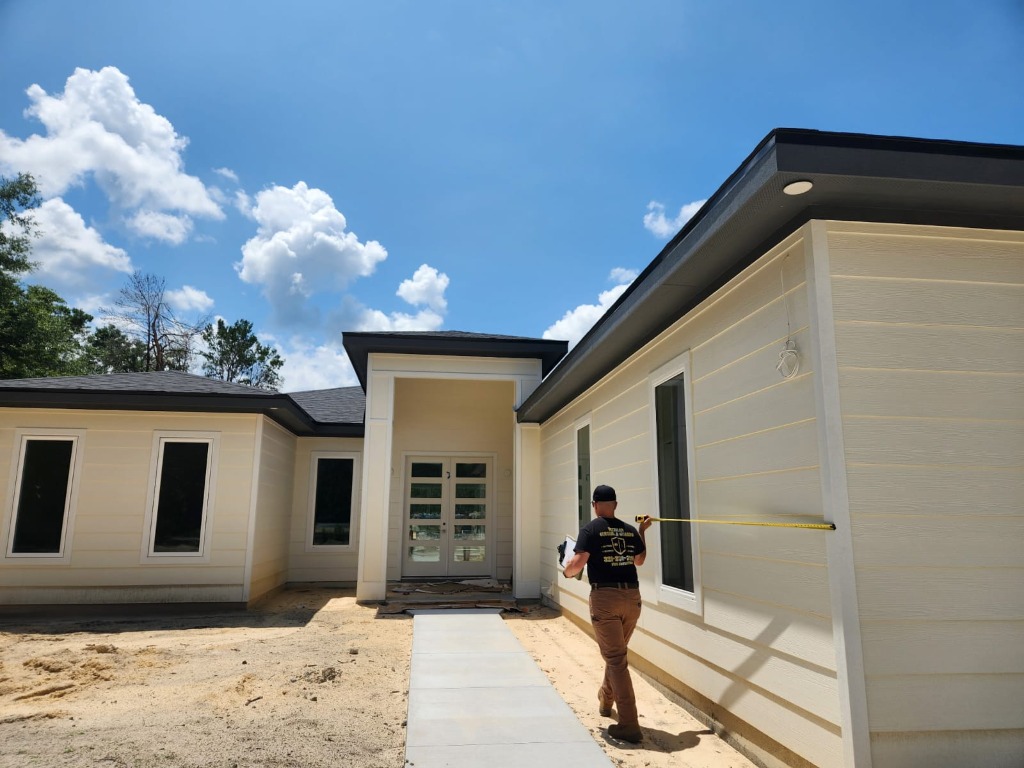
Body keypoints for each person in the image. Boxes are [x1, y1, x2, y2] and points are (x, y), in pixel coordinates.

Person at [562, 484, 652, 743]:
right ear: (615, 504)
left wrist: (566, 567)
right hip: (632, 599)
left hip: (605, 599)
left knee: (615, 659)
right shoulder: (628, 529)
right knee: (617, 654)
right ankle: (605, 698)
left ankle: (629, 723)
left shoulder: (590, 529)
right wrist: (642, 532)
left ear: (594, 505)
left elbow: (576, 565)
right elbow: (639, 560)